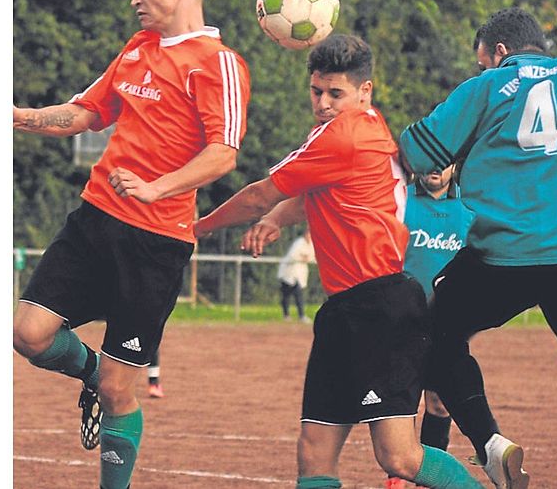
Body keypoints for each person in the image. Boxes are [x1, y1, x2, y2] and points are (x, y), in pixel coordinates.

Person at [195, 34, 483, 489]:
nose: (324, 103)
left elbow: (258, 195)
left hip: (380, 308)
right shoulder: (363, 126)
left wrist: (196, 228)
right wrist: (277, 220)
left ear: (364, 91)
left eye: (336, 93)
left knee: (399, 457)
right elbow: (318, 191)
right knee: (314, 451)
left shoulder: (343, 136)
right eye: (316, 92)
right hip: (346, 308)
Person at [12, 0, 250, 488]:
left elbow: (224, 152)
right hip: (95, 220)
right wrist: (17, 116)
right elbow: (87, 113)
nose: (134, 0)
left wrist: (156, 188)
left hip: (157, 243)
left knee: (125, 390)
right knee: (28, 334)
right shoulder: (137, 49)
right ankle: (92, 373)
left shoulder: (219, 62)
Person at [399, 7, 557, 489]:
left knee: (426, 333)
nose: (481, 70)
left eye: (481, 61)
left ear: (499, 53)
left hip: (506, 255)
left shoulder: (486, 87)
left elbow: (418, 152)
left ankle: (490, 445)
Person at [386, 164, 474, 489]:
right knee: (401, 403)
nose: (436, 166)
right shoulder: (401, 201)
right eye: (430, 157)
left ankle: (429, 481)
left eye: (445, 159)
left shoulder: (468, 209)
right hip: (401, 319)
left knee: (438, 402)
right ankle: (397, 478)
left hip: (447, 323)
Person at [277, 228, 316, 323]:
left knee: (298, 294)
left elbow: (312, 257)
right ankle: (286, 315)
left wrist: (306, 258)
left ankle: (301, 315)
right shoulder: (299, 243)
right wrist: (303, 257)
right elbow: (292, 255)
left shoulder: (311, 244)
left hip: (299, 273)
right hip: (288, 272)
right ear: (306, 234)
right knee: (286, 294)